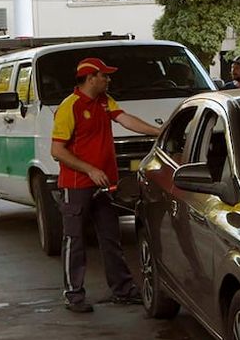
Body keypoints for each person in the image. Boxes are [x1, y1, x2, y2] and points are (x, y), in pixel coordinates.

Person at [51, 57, 161, 313]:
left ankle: (123, 290)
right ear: (91, 78)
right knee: (75, 240)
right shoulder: (70, 107)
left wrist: (159, 132)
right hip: (77, 185)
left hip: (104, 185)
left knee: (111, 238)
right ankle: (73, 295)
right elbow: (57, 150)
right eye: (104, 76)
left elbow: (126, 119)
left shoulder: (104, 101)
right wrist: (90, 169)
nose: (108, 80)